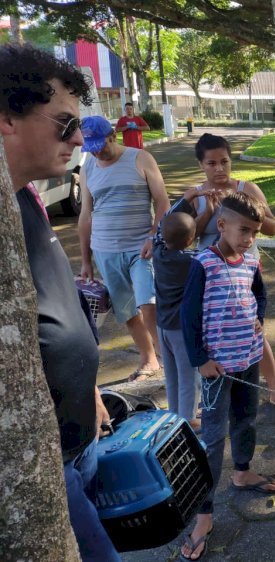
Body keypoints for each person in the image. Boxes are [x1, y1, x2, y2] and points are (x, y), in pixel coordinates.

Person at [0, 43, 120, 561]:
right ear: (7, 118)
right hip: (39, 460)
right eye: (64, 122)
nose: (77, 138)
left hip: (81, 433)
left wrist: (89, 388)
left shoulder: (26, 197)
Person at [180, 191, 275, 561]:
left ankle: (242, 472)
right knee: (212, 436)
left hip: (249, 359)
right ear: (221, 225)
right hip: (217, 368)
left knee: (246, 419)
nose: (250, 238)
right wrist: (201, 359)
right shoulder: (204, 263)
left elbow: (261, 297)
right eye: (244, 230)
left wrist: (260, 320)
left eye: (254, 232)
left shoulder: (251, 262)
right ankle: (203, 514)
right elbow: (187, 317)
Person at [173, 133, 275, 405]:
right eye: (211, 163)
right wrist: (210, 210)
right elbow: (187, 237)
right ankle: (214, 390)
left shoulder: (248, 188)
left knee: (253, 327)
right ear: (201, 164)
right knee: (214, 330)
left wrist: (243, 209)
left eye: (224, 161)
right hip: (211, 275)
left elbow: (271, 226)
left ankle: (274, 387)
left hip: (244, 269)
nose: (219, 169)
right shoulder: (198, 196)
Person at [78, 115, 170, 381]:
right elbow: (85, 215)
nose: (96, 151)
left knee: (148, 304)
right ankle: (149, 360)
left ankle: (170, 361)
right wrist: (86, 260)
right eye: (90, 146)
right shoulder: (88, 169)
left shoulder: (140, 158)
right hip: (105, 250)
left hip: (141, 248)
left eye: (100, 144)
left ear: (112, 137)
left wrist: (154, 235)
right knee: (127, 310)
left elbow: (163, 201)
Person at [153, 212, 201, 431]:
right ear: (190, 240)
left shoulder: (158, 253)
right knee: (189, 378)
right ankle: (188, 421)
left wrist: (187, 197)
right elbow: (214, 253)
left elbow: (161, 229)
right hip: (181, 330)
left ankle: (173, 418)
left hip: (163, 326)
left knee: (172, 377)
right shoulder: (190, 262)